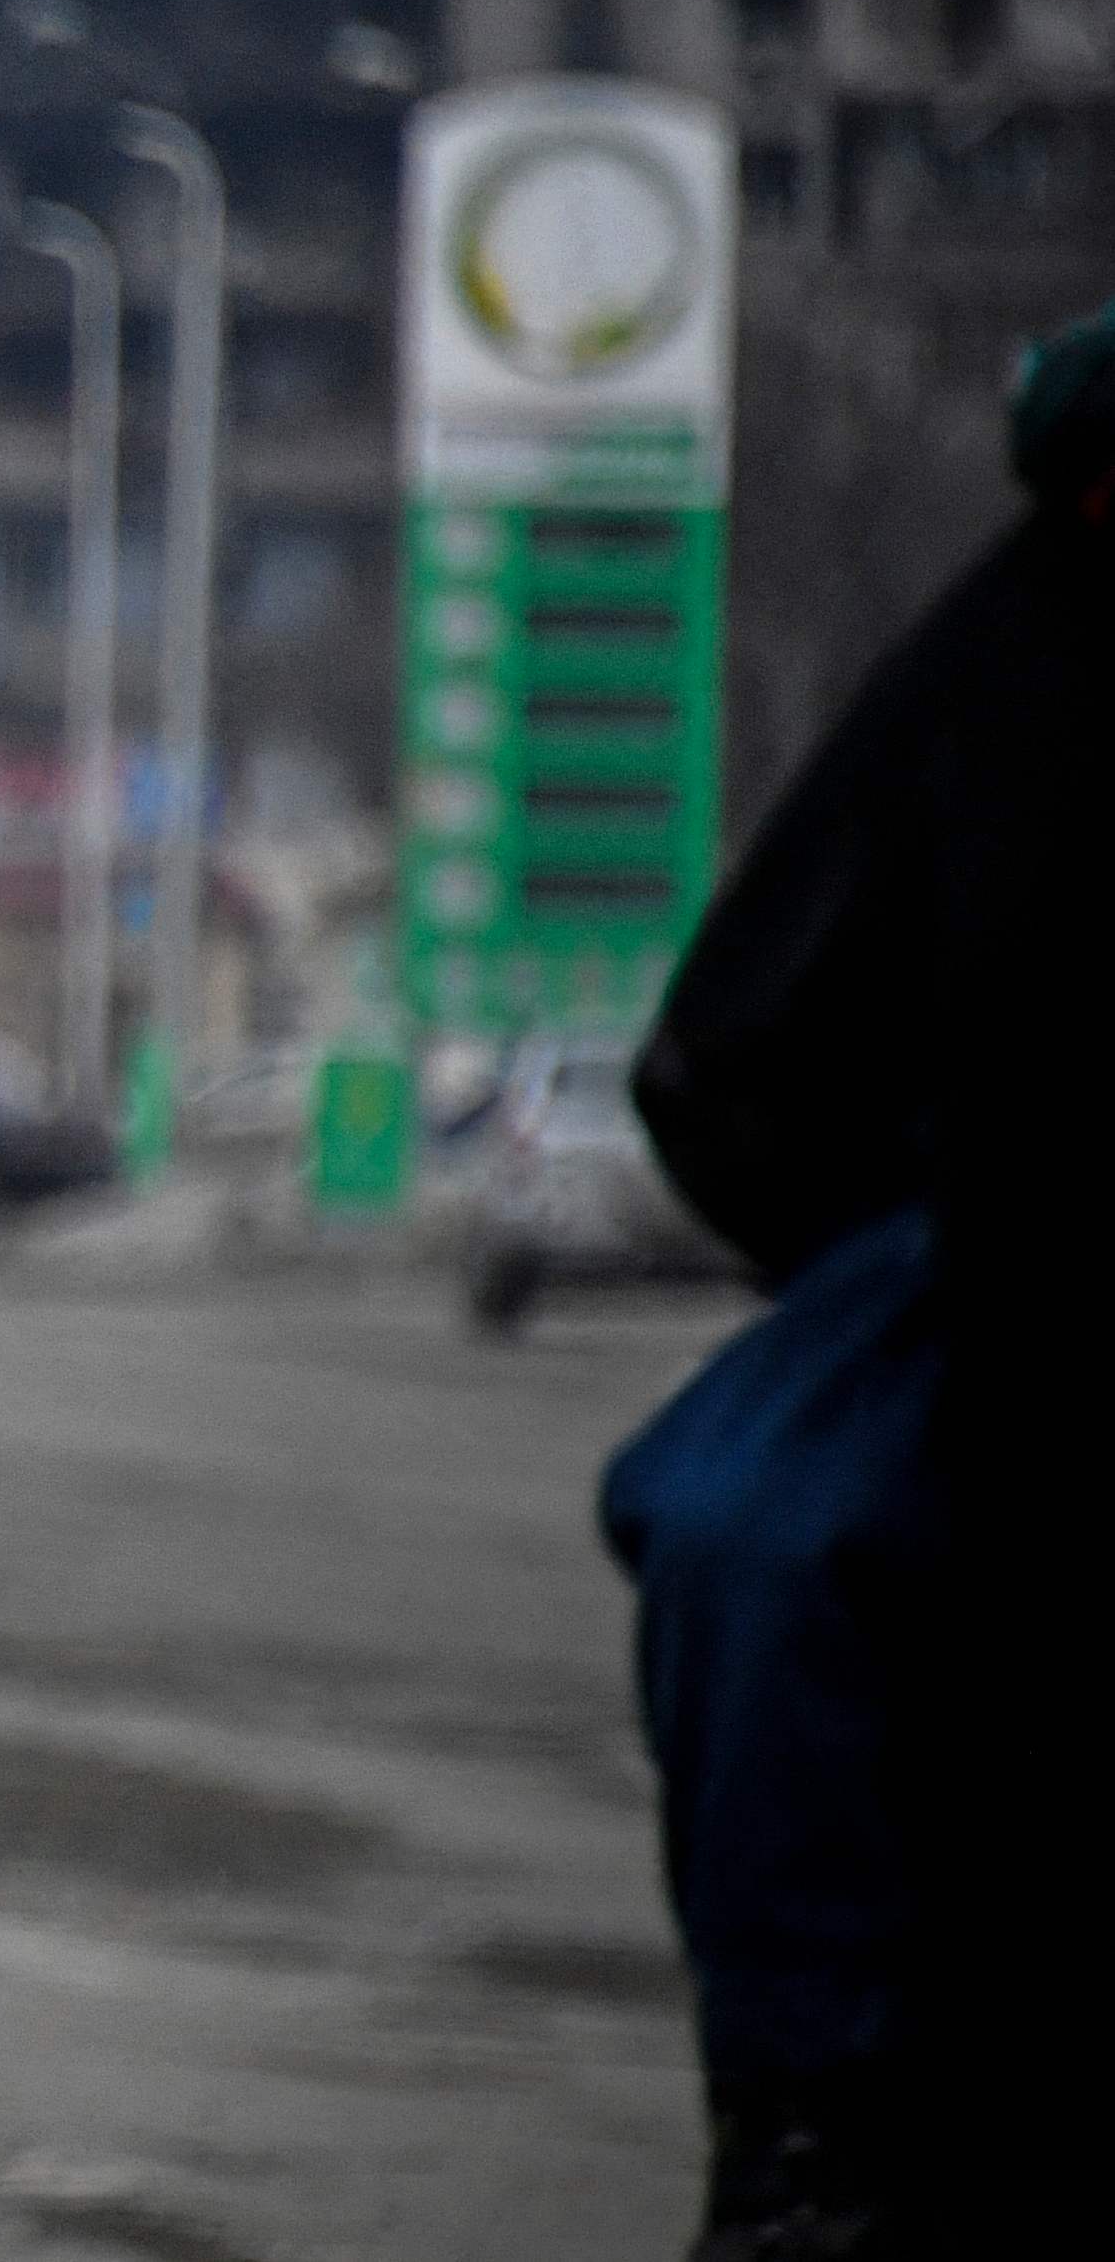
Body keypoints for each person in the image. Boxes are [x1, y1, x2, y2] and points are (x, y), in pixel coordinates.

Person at [604, 294, 1115, 2260]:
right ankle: (799, 2104)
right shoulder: (1017, 659)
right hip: (996, 1271)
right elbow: (737, 1049)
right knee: (742, 1515)